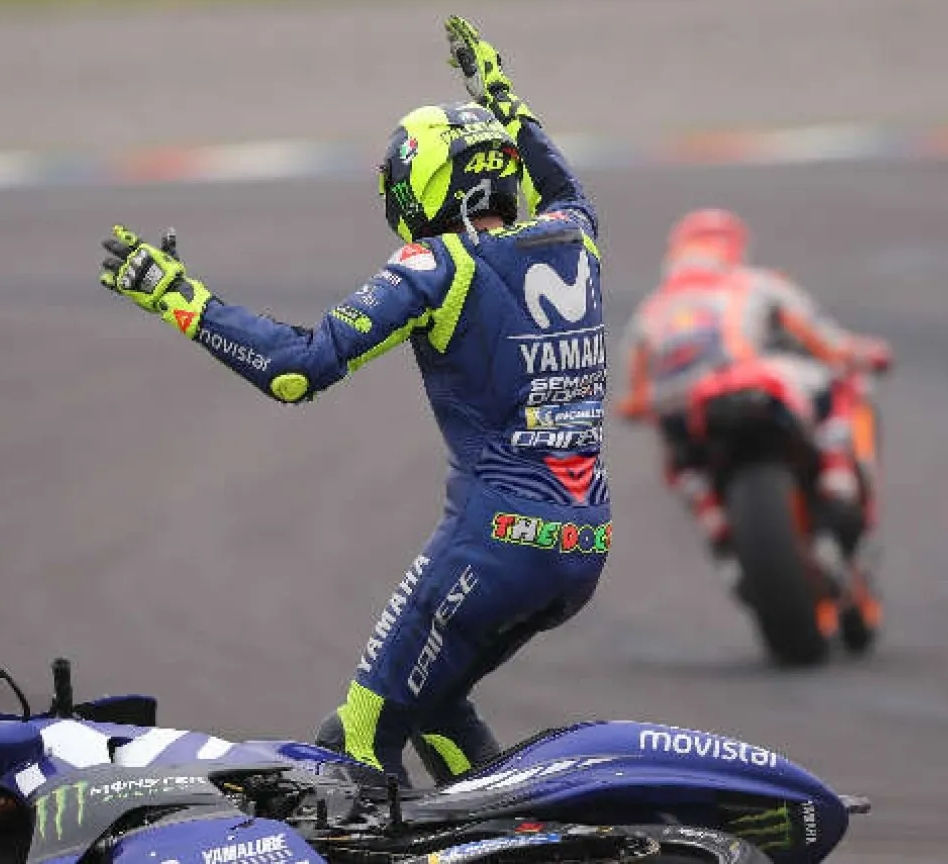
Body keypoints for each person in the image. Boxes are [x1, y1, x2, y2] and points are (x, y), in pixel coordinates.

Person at [98, 16, 609, 785]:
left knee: (359, 734)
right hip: (583, 545)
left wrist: (178, 297)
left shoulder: (437, 266)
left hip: (494, 544)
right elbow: (557, 174)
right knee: (434, 706)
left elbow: (296, 370)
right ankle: (524, 828)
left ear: (426, 183)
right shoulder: (576, 232)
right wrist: (498, 91)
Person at [615, 209, 891, 594]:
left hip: (682, 404)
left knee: (674, 446)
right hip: (753, 379)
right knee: (842, 386)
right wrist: (858, 353)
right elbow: (822, 339)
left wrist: (642, 405)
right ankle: (837, 478)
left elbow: (635, 395)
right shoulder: (756, 283)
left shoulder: (651, 309)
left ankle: (714, 524)